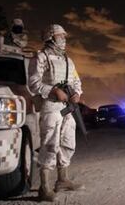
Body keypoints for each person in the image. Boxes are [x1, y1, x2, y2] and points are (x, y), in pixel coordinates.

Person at [28, 24, 84, 202]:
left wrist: (76, 93)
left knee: (67, 141)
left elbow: (76, 80)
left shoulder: (69, 60)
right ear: (51, 37)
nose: (64, 40)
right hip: (51, 106)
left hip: (67, 107)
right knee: (50, 144)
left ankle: (62, 179)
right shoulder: (41, 57)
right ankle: (44, 188)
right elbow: (34, 83)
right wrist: (53, 91)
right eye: (61, 36)